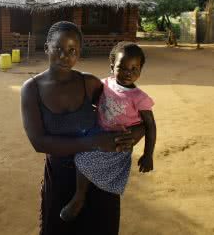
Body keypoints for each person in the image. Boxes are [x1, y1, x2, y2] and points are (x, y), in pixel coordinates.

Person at [21, 21, 145, 235]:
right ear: (46, 48)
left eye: (72, 50)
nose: (64, 56)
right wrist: (93, 142)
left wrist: (134, 133)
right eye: (58, 48)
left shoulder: (89, 83)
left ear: (79, 52)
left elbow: (130, 109)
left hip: (100, 175)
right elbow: (38, 142)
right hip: (60, 177)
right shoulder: (32, 89)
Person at [60, 42, 157, 222]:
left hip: (119, 141)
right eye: (122, 67)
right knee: (80, 152)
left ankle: (81, 199)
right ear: (112, 67)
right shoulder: (105, 83)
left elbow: (151, 126)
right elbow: (91, 100)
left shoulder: (140, 98)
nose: (128, 72)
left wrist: (148, 154)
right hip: (98, 133)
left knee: (85, 160)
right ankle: (82, 197)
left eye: (134, 68)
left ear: (141, 70)